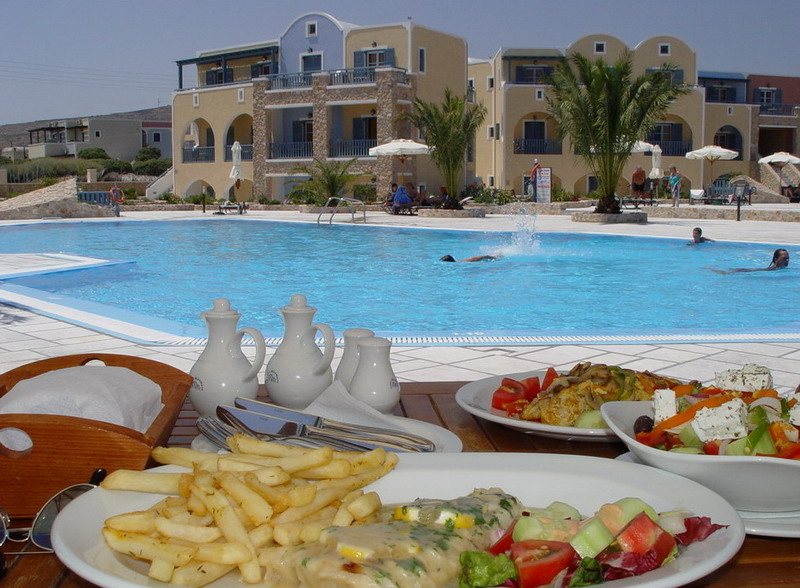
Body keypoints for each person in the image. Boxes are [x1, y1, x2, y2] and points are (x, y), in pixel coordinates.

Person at [714, 248, 790, 273]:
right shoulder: (772, 269)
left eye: (787, 258)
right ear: (776, 259)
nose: (786, 260)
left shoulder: (781, 269)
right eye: (784, 258)